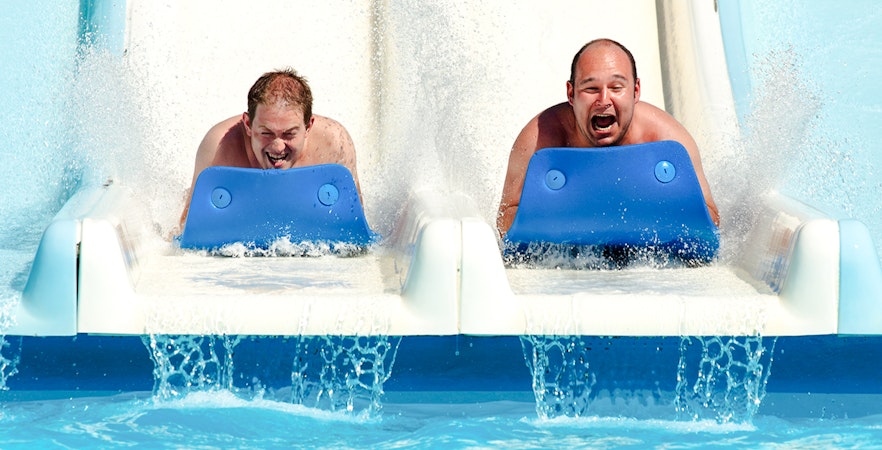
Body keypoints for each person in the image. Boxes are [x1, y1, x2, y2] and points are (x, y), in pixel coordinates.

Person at [497, 39, 720, 236]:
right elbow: (505, 222)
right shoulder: (539, 139)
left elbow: (710, 220)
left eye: (616, 87)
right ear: (571, 94)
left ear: (635, 91)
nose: (604, 100)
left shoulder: (666, 139)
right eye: (591, 88)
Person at [178, 68, 361, 230]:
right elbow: (186, 230)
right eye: (266, 133)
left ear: (308, 126)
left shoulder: (334, 143)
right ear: (248, 124)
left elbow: (356, 225)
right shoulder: (219, 147)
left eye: (289, 134)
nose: (277, 147)